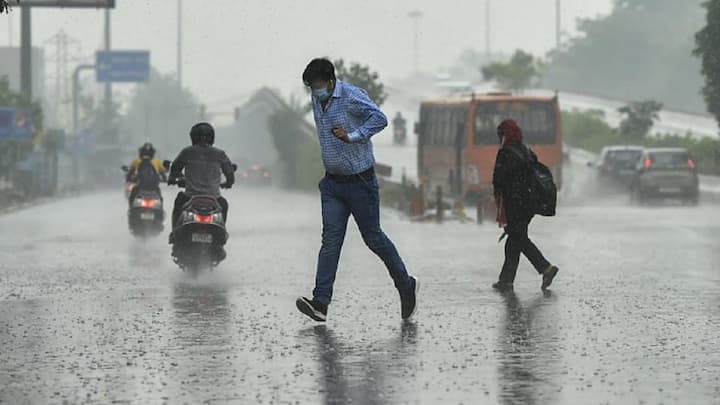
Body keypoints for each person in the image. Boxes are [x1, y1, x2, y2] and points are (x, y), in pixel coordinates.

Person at [295, 58, 419, 322]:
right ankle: (321, 302)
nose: (314, 92)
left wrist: (353, 135)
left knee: (374, 239)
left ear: (330, 82)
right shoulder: (317, 100)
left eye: (317, 86)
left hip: (361, 183)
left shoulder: (351, 96)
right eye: (310, 87)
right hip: (332, 185)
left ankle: (406, 285)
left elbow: (380, 118)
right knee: (330, 242)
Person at [492, 119, 559, 291]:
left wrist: (497, 199)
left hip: (515, 203)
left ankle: (545, 268)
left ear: (504, 135)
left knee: (519, 238)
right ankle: (506, 280)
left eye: (500, 135)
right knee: (514, 239)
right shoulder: (526, 151)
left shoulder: (505, 153)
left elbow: (499, 180)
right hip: (530, 203)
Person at [167, 123, 234, 242]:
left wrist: (172, 178)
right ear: (212, 137)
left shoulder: (187, 152)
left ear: (193, 137)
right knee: (224, 204)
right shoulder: (220, 154)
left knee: (178, 202)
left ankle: (174, 234)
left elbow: (175, 168)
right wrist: (228, 183)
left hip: (190, 197)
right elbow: (229, 173)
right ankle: (221, 236)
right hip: (214, 198)